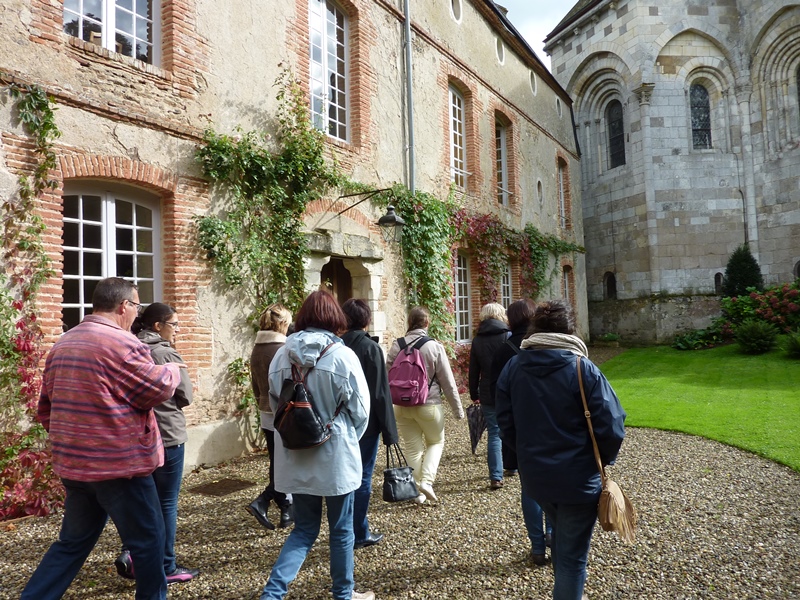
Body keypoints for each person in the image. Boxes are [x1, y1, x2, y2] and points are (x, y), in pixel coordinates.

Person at [21, 278, 183, 600]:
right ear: (124, 306)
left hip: (76, 467)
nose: (136, 314)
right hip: (120, 469)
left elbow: (45, 409)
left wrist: (75, 441)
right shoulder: (122, 343)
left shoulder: (62, 344)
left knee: (71, 544)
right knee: (149, 543)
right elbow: (154, 390)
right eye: (136, 307)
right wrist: (174, 371)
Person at [495, 299, 627, 600]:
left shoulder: (514, 367)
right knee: (572, 560)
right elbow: (613, 426)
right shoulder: (583, 368)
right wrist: (600, 461)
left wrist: (528, 453)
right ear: (569, 329)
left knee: (563, 544)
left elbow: (505, 423)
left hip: (537, 478)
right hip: (578, 481)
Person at [259, 290, 375, 600]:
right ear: (335, 318)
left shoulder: (280, 356)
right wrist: (347, 437)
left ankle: (272, 594)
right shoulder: (342, 355)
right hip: (335, 453)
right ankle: (343, 594)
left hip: (295, 452)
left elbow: (275, 404)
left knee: (303, 529)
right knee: (341, 531)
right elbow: (361, 411)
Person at [113, 302, 199, 584]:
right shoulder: (164, 352)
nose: (177, 330)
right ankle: (166, 565)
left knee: (141, 501)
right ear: (158, 326)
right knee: (166, 503)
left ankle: (132, 552)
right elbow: (185, 395)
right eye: (174, 324)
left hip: (137, 435)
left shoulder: (130, 347)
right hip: (169, 435)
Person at [489, 299, 552, 566]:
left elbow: (498, 395)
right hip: (552, 428)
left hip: (524, 430)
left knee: (530, 489)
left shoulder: (505, 351)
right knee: (555, 488)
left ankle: (538, 547)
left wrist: (511, 439)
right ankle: (552, 536)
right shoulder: (552, 349)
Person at [386, 306, 464, 504]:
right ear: (427, 323)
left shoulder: (397, 345)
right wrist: (458, 410)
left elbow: (386, 376)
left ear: (409, 322)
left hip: (401, 407)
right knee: (436, 442)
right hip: (428, 404)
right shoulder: (433, 346)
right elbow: (447, 382)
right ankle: (427, 482)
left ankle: (417, 492)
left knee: (413, 448)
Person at [341, 298, 399, 549]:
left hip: (342, 422)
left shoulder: (337, 346)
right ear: (367, 320)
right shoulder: (370, 348)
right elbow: (380, 394)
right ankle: (359, 532)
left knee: (344, 477)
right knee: (363, 477)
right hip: (367, 425)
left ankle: (345, 530)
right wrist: (390, 433)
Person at [246, 303, 294, 531]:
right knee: (288, 462)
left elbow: (255, 385)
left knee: (277, 461)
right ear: (283, 323)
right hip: (284, 412)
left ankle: (287, 510)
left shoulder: (257, 348)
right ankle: (263, 500)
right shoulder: (282, 350)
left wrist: (262, 402)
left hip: (266, 411)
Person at [468, 302, 509, 490]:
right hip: (507, 389)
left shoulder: (478, 340)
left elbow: (474, 370)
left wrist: (473, 392)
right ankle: (513, 466)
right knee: (511, 428)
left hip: (487, 390)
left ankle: (496, 476)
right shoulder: (507, 336)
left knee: (494, 433)